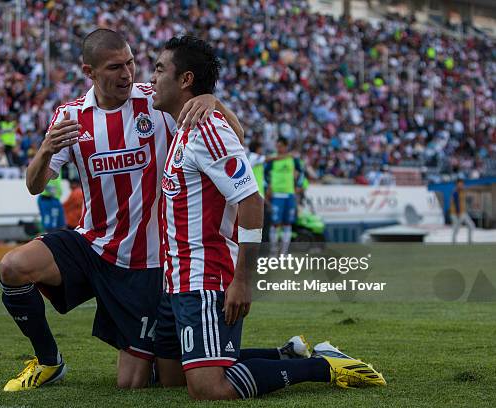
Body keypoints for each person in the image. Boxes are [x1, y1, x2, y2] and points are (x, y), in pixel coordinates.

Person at [0, 28, 242, 392]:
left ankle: (247, 358)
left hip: (146, 261)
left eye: (130, 62)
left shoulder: (156, 104)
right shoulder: (71, 116)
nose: (127, 73)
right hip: (92, 246)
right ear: (89, 72)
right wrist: (46, 150)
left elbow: (233, 136)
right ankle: (49, 361)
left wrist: (211, 100)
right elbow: (34, 185)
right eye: (115, 67)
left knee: (135, 384)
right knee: (12, 267)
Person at [150, 35, 385, 401]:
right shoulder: (185, 125)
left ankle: (325, 366)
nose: (151, 78)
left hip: (205, 276)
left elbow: (252, 201)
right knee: (171, 376)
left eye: (160, 69)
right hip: (176, 278)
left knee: (209, 388)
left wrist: (243, 279)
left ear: (185, 80)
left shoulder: (206, 129)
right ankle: (286, 355)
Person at [265, 138, 296, 253]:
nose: (278, 148)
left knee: (287, 223)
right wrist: (268, 187)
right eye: (277, 146)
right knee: (275, 223)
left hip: (290, 194)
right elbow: (265, 173)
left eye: (281, 146)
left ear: (286, 146)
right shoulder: (273, 158)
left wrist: (297, 188)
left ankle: (284, 252)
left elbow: (300, 172)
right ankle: (273, 252)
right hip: (277, 195)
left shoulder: (293, 159)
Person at [450, 178, 475, 244]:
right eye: (460, 184)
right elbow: (456, 203)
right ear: (457, 185)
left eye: (462, 184)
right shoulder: (455, 192)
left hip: (462, 212)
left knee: (471, 225)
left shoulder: (462, 191)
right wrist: (458, 213)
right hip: (456, 213)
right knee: (456, 228)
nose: (461, 185)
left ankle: (469, 241)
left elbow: (463, 201)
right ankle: (453, 242)